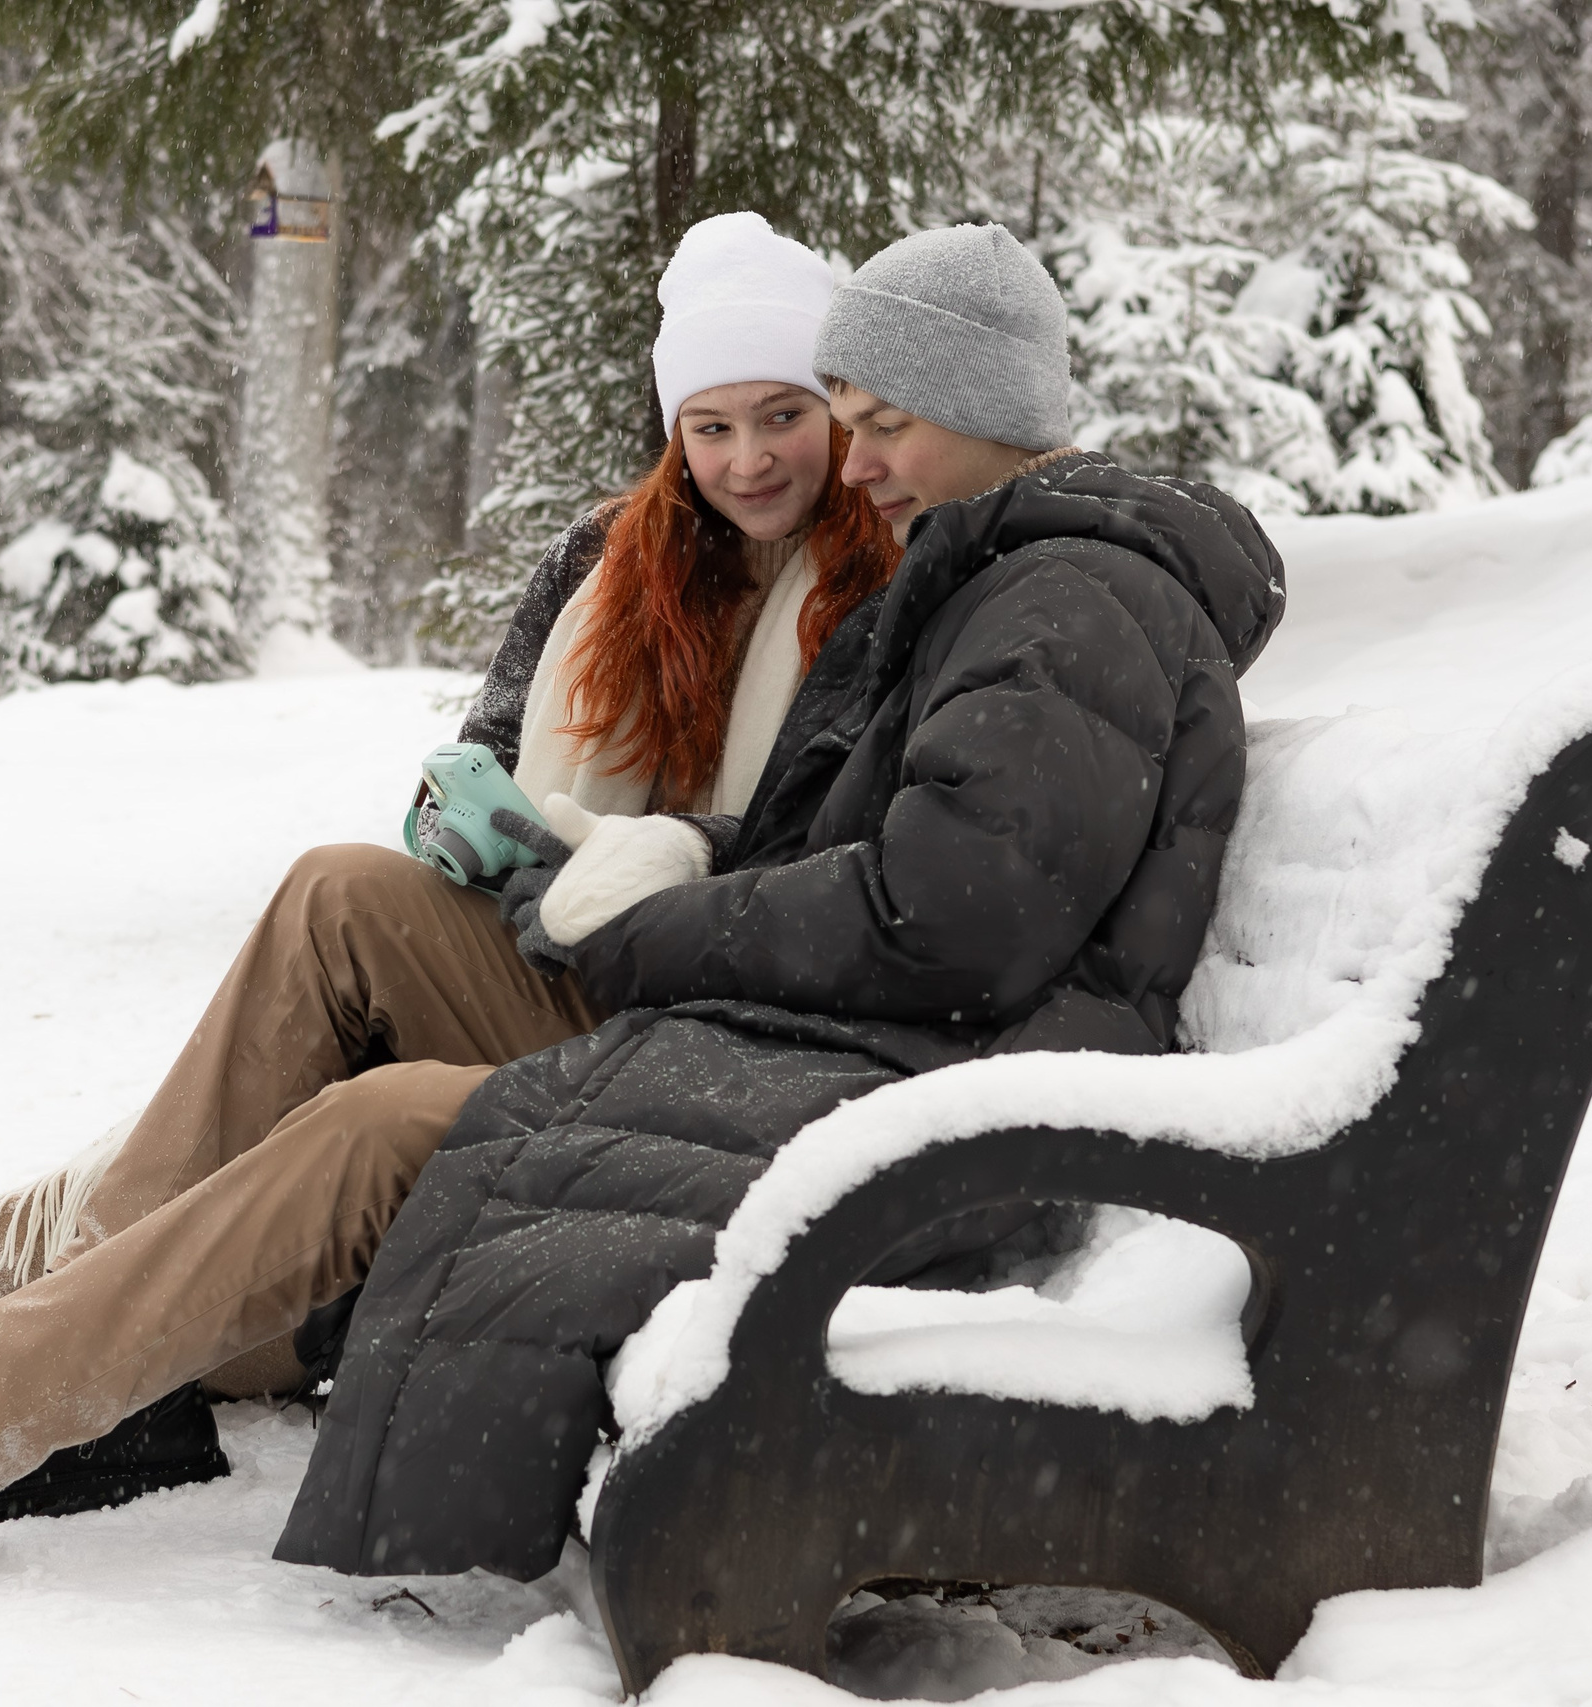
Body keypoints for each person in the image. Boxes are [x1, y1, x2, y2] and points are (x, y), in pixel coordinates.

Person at [0, 212, 903, 1573]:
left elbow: (816, 839)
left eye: (781, 414)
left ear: (836, 411)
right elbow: (491, 748)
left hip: (685, 1012)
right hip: (550, 950)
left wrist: (656, 854)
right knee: (334, 889)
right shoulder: (612, 558)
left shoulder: (871, 581)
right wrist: (467, 815)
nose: (748, 458)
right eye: (710, 426)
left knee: (226, 1156)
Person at [275, 223, 1288, 1578]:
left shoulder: (1062, 602)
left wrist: (647, 932)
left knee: (455, 1136)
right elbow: (883, 862)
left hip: (965, 1105)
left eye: (879, 425)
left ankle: (200, 1412)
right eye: (836, 423)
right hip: (914, 1059)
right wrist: (639, 868)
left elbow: (950, 918)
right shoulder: (1010, 581)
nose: (845, 465)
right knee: (453, 1065)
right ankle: (111, 1346)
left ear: (986, 410)